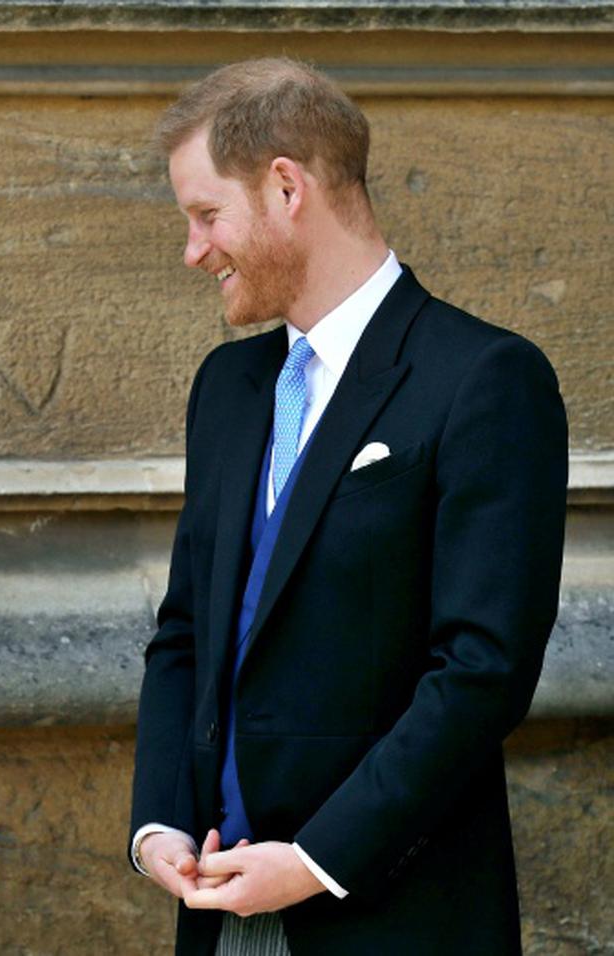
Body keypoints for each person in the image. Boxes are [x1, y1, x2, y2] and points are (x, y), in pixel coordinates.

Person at [128, 58, 567, 955]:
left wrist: (317, 859)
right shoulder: (229, 386)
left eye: (207, 215)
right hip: (218, 917)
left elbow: (482, 671)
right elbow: (185, 634)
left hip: (393, 916)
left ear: (287, 186)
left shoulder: (483, 380)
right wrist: (158, 827)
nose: (192, 250)